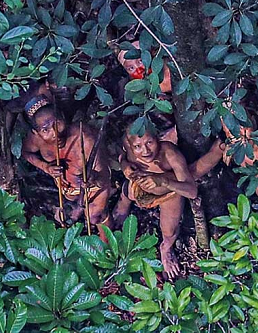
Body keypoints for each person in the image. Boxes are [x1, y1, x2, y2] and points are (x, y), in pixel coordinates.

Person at [112, 126, 225, 279]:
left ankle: (166, 249)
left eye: (149, 142)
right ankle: (123, 204)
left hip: (169, 193)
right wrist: (125, 165)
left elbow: (192, 191)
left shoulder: (169, 153)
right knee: (129, 193)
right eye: (138, 146)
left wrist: (163, 181)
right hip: (138, 186)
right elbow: (122, 155)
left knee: (169, 231)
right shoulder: (129, 143)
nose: (145, 151)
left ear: (157, 137)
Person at [21, 95, 113, 239]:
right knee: (67, 215)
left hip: (94, 187)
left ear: (63, 117)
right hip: (67, 189)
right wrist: (45, 167)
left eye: (57, 123)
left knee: (94, 215)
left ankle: (107, 248)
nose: (55, 133)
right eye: (46, 130)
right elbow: (26, 153)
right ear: (36, 132)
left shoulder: (84, 138)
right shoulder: (36, 140)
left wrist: (92, 179)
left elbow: (103, 177)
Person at [117, 41, 177, 144]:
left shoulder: (172, 68)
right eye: (131, 68)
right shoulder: (144, 93)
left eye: (140, 62)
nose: (139, 70)